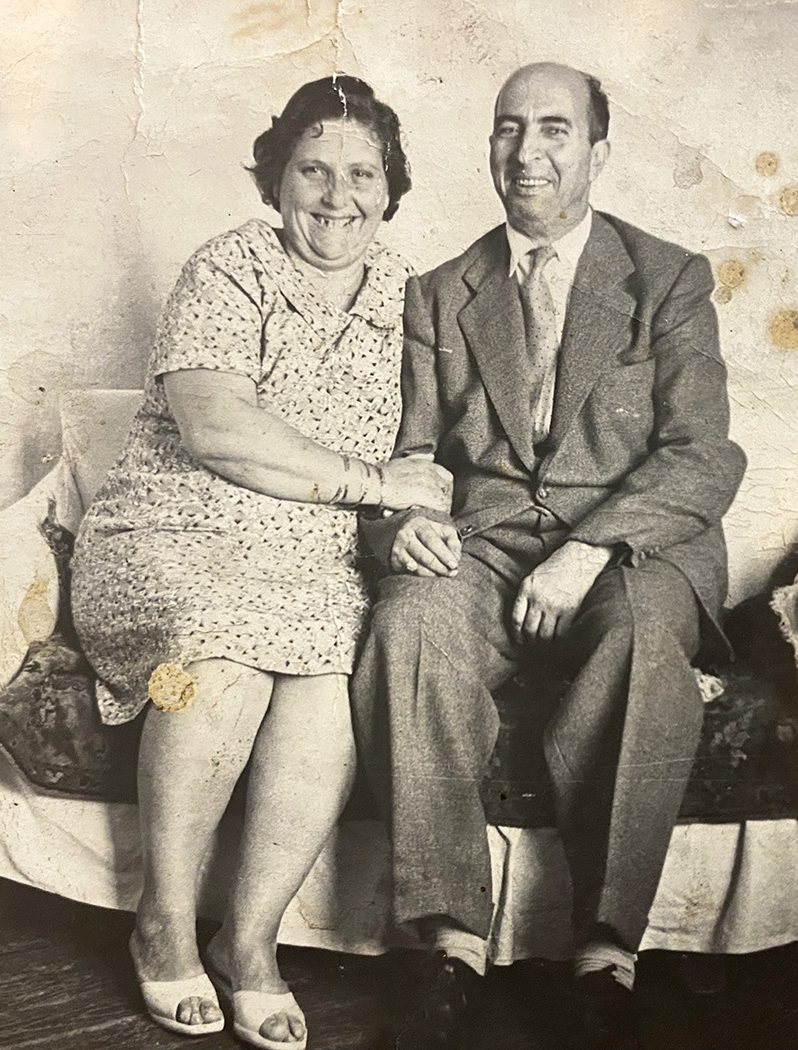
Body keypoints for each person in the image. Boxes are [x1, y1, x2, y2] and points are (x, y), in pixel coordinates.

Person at [351, 62, 746, 1049]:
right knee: (410, 617)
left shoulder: (669, 276)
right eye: (508, 128)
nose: (528, 153)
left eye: (556, 130)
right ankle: (449, 946)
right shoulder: (441, 293)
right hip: (485, 546)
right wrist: (405, 523)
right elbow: (407, 452)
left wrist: (589, 551)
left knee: (645, 637)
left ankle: (605, 960)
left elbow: (702, 454)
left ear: (599, 151)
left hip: (632, 544)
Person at [71, 75, 452, 1049]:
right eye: (312, 169)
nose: (336, 194)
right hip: (170, 532)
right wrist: (375, 482)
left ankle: (252, 945)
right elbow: (216, 429)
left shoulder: (414, 303)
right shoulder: (227, 267)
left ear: (391, 188)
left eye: (361, 174)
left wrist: (404, 506)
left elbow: (423, 456)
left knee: (330, 676)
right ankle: (161, 926)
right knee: (225, 655)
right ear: (275, 177)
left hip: (313, 557)